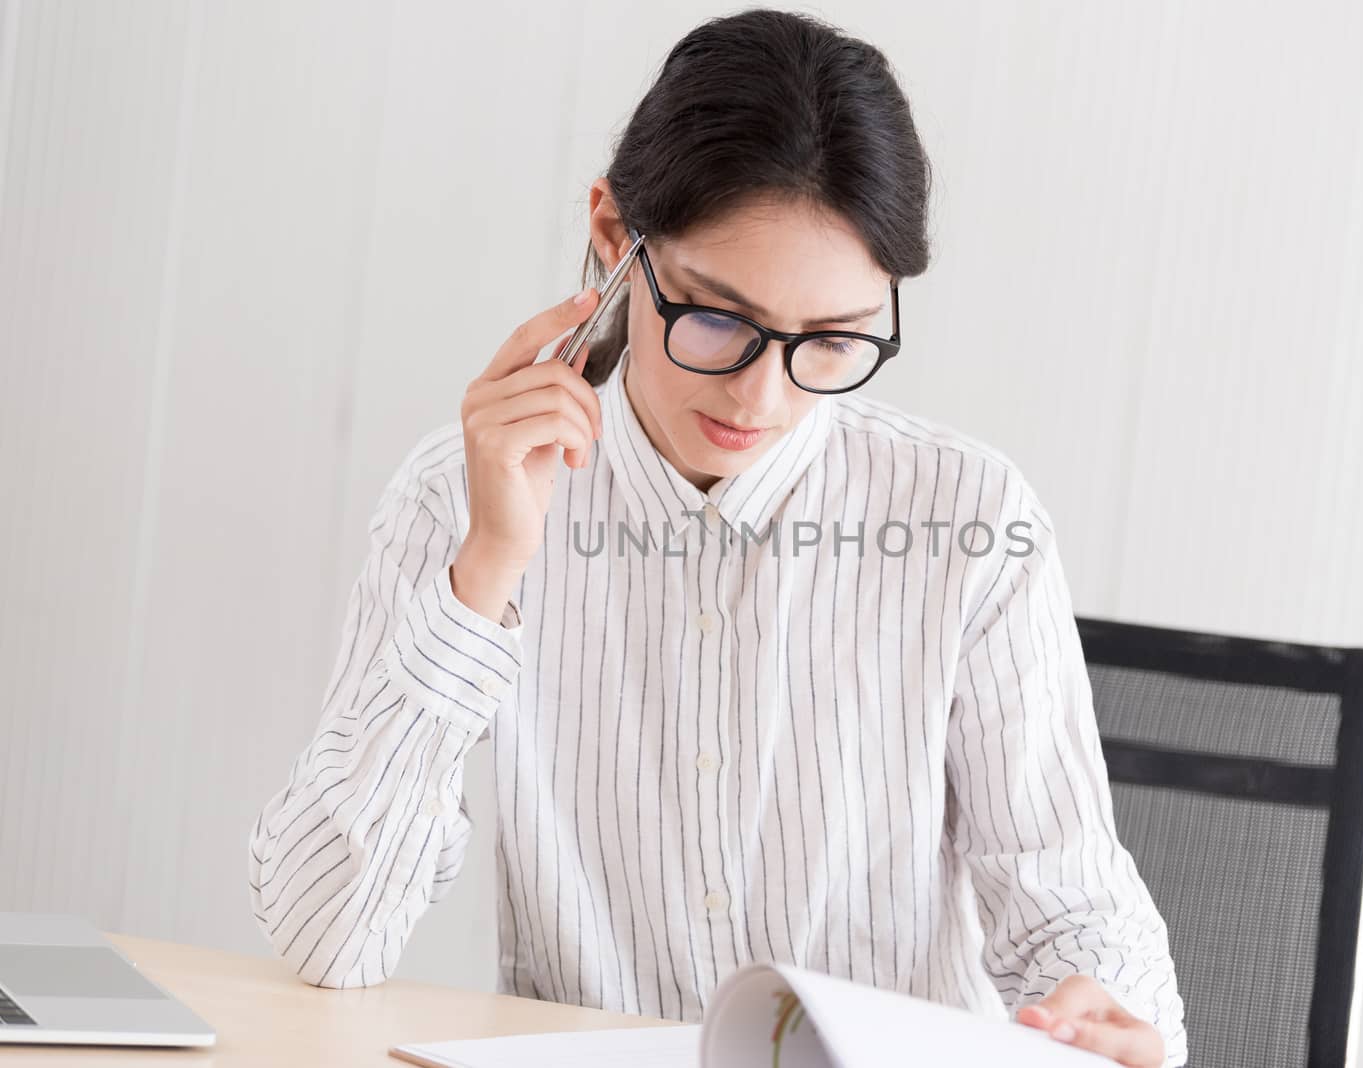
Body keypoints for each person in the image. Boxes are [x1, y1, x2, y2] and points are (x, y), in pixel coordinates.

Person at [247, 9, 1187, 1066]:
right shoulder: (458, 500)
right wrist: (488, 572)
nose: (761, 393)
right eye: (716, 319)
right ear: (614, 238)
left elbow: (1069, 901)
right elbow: (329, 937)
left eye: (830, 341)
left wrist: (1100, 1005)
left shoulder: (970, 522)